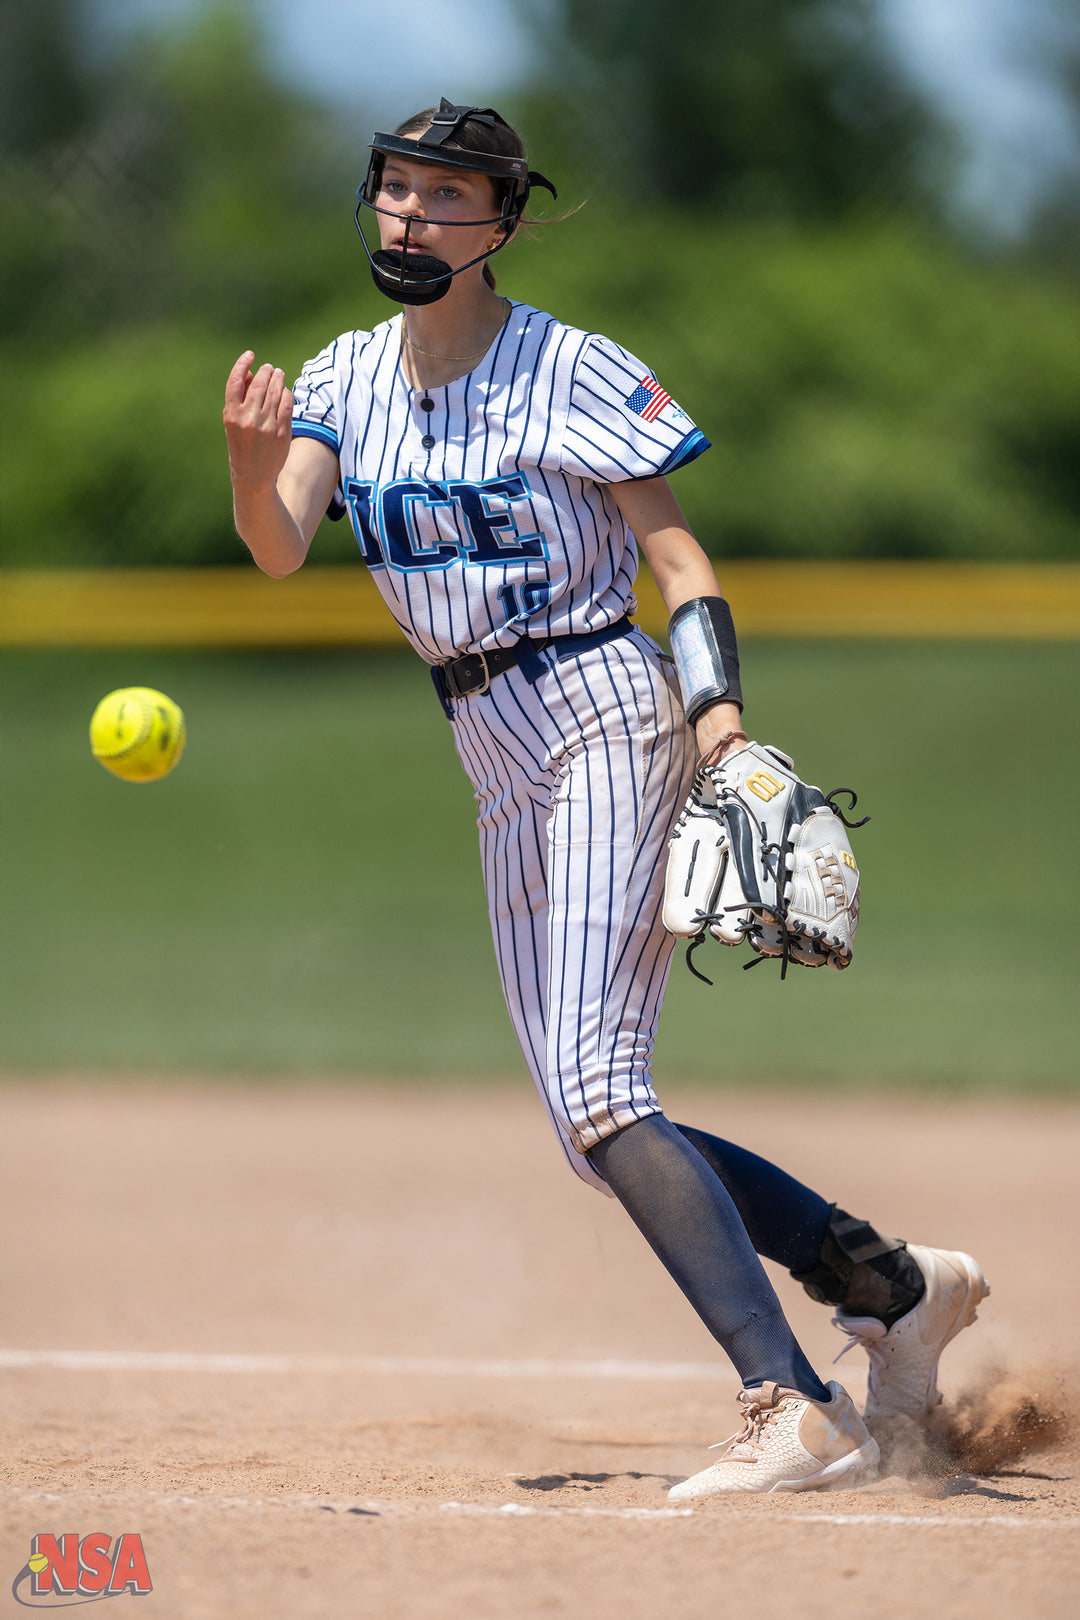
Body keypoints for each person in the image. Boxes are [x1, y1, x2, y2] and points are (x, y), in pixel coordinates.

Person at [222, 99, 988, 1499]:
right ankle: (889, 1283)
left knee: (595, 1091)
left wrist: (724, 732)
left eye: (446, 197)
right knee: (599, 1129)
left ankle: (796, 1409)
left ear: (504, 223)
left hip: (598, 707)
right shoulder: (342, 373)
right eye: (393, 189)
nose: (409, 215)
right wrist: (241, 448)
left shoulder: (569, 369)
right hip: (488, 742)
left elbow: (681, 563)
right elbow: (278, 545)